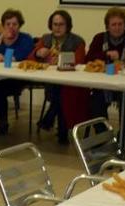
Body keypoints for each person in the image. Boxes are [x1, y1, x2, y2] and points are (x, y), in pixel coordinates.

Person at [29, 10, 87, 144]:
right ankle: (60, 131)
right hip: (50, 81)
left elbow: (79, 62)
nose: (57, 27)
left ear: (68, 26)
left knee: (61, 92)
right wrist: (38, 53)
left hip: (71, 82)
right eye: (55, 24)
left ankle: (50, 119)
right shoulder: (46, 39)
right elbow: (31, 58)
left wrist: (61, 60)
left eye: (61, 24)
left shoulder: (77, 41)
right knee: (57, 91)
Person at [85, 7, 125, 134]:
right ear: (108, 26)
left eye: (120, 24)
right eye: (114, 24)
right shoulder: (99, 38)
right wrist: (106, 55)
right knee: (95, 103)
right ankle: (104, 135)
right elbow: (88, 59)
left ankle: (122, 136)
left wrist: (121, 59)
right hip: (104, 84)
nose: (117, 27)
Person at [0, 9, 34, 136]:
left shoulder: (26, 38)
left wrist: (6, 55)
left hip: (19, 76)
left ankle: (3, 125)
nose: (11, 27)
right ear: (3, 25)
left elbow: (22, 54)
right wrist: (2, 38)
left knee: (0, 88)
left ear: (20, 25)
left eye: (14, 24)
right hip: (0, 76)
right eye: (8, 24)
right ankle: (2, 124)